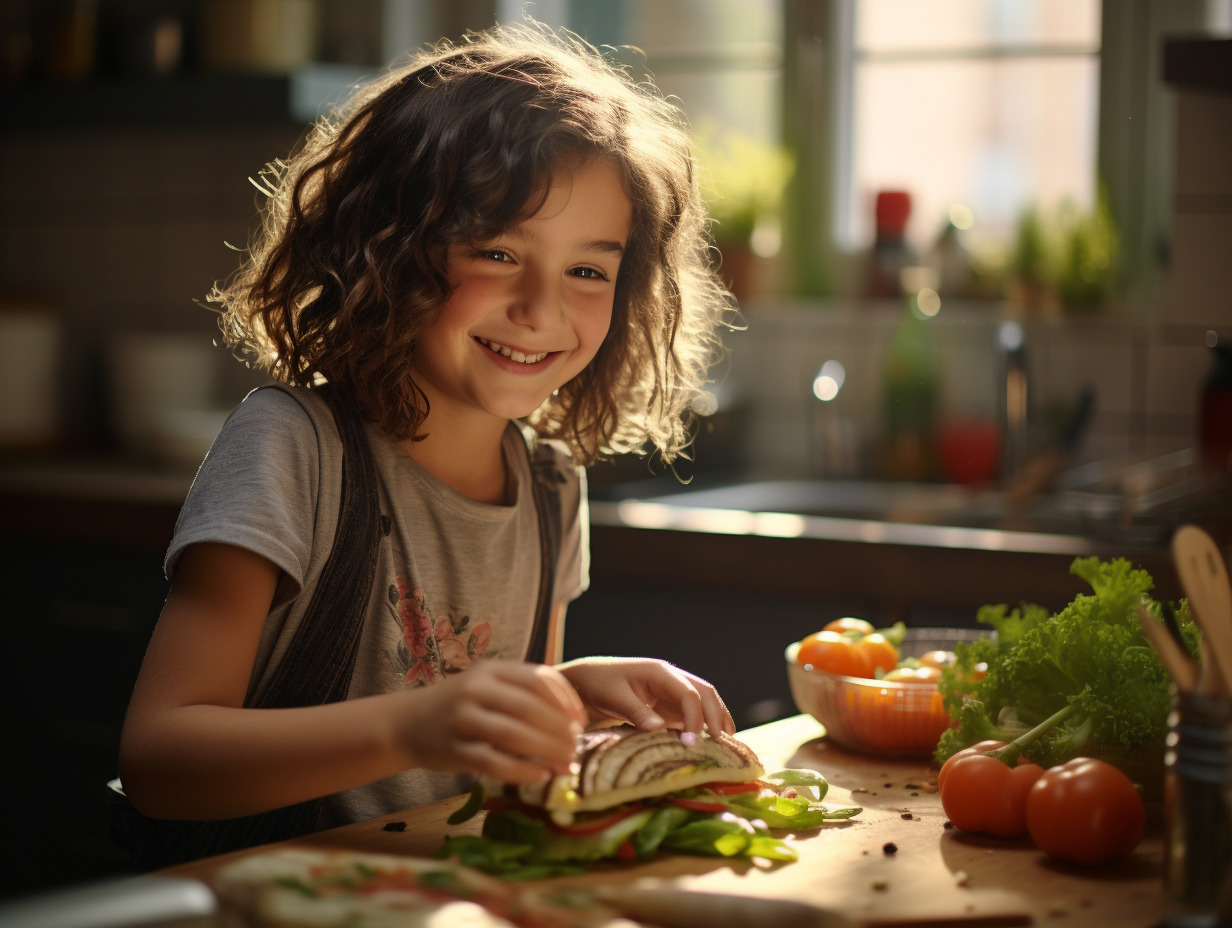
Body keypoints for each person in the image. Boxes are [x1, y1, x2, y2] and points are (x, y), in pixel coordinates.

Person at [116, 20, 737, 860]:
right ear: (388, 246)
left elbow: (482, 744)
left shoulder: (552, 490)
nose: (542, 307)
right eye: (496, 250)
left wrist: (568, 694)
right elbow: (161, 760)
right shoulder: (293, 449)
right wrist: (413, 727)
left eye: (588, 269)